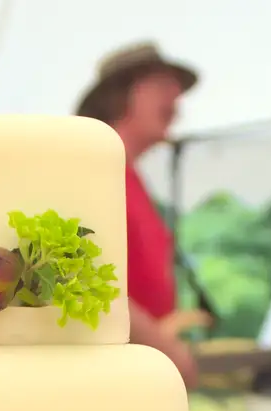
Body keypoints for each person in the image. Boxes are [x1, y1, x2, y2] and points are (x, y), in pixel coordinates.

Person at [76, 43, 201, 389]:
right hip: (109, 380)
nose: (177, 102)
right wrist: (163, 347)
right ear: (120, 95)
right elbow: (77, 274)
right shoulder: (91, 166)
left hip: (134, 375)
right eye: (163, 87)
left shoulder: (128, 176)